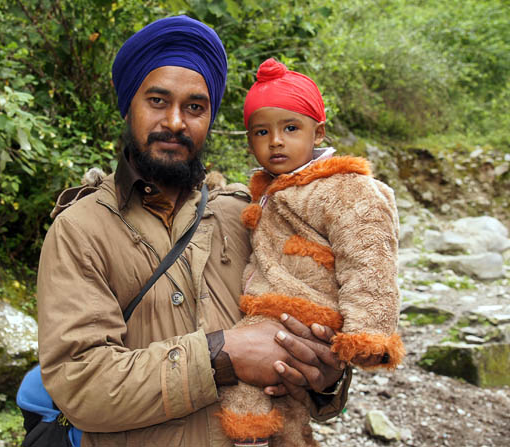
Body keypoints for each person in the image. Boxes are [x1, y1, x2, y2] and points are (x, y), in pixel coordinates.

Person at [36, 18, 351, 447]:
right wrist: (223, 354)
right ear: (129, 106)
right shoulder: (81, 230)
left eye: (195, 107)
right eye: (157, 100)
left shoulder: (250, 215)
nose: (176, 121)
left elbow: (311, 331)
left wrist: (326, 375)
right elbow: (80, 384)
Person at [216, 58, 404, 446]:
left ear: (318, 132)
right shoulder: (276, 188)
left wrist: (370, 331)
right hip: (272, 311)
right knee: (283, 410)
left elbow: (368, 255)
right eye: (261, 132)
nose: (276, 141)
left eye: (290, 128)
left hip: (304, 311)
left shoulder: (341, 188)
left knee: (248, 395)